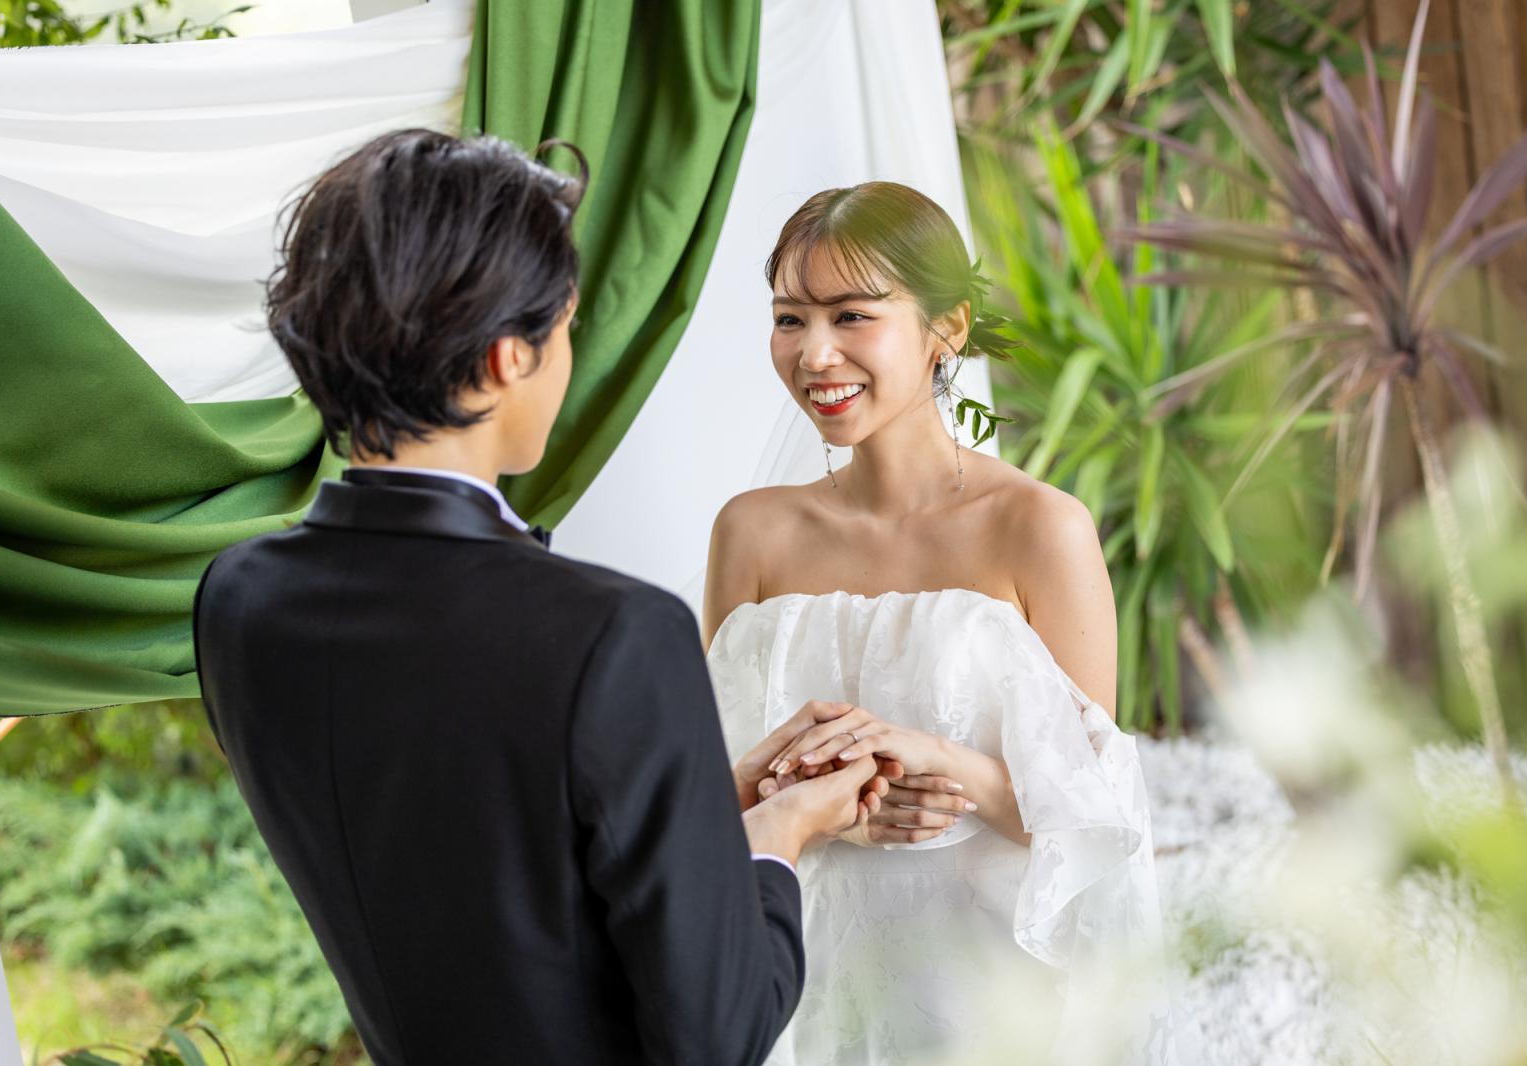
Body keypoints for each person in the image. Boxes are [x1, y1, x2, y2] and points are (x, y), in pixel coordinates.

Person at [192, 129, 888, 1066]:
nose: (567, 355)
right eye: (564, 327)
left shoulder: (237, 601)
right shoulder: (614, 634)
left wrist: (701, 817)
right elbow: (717, 1038)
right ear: (506, 357)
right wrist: (777, 839)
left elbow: (473, 859)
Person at [703, 182, 1200, 1065]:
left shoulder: (1040, 529)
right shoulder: (750, 533)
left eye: (851, 315)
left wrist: (939, 761)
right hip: (804, 986)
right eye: (789, 320)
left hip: (984, 999)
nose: (814, 353)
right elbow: (712, 793)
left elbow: (1099, 815)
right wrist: (826, 812)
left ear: (949, 326)